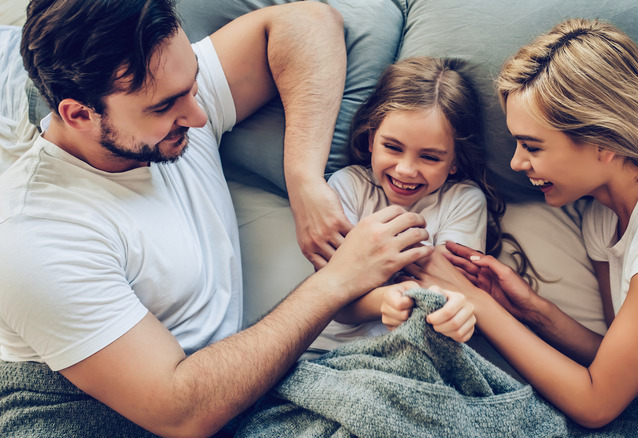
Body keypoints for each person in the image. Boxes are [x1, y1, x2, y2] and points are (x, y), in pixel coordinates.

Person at [0, 0, 433, 436]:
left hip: (222, 401)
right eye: (165, 106)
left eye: (193, 83)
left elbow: (307, 23)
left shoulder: (163, 89)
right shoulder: (34, 234)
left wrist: (303, 178)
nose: (199, 114)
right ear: (79, 114)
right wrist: (339, 279)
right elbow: (180, 412)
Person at [403, 18, 638, 430]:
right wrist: (531, 310)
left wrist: (477, 302)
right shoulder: (602, 215)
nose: (515, 162)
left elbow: (597, 404)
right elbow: (624, 365)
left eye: (532, 146)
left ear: (604, 144)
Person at [307, 57, 528, 355]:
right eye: (393, 147)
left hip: (414, 356)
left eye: (430, 157)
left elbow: (447, 291)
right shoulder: (346, 187)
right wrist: (384, 299)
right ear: (371, 140)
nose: (406, 170)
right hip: (328, 353)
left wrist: (448, 312)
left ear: (454, 162)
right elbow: (334, 298)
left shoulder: (462, 201)